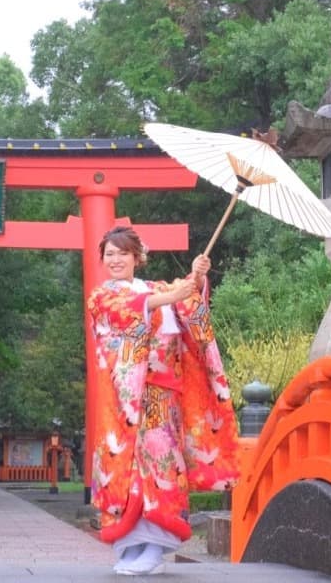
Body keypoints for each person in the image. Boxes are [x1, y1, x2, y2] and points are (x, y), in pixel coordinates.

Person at [86, 226, 239, 576]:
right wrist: (175, 295)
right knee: (125, 469)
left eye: (122, 253)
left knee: (161, 466)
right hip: (124, 402)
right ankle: (131, 544)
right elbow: (130, 311)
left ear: (137, 257)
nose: (115, 259)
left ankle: (154, 546)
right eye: (109, 253)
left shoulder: (155, 288)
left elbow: (187, 300)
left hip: (160, 397)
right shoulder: (103, 296)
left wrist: (197, 279)